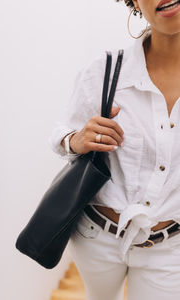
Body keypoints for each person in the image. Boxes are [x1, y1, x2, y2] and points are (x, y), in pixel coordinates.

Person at [48, 1, 180, 299]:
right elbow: (61, 134)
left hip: (171, 248)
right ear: (133, 1)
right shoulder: (105, 71)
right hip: (96, 237)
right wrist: (76, 140)